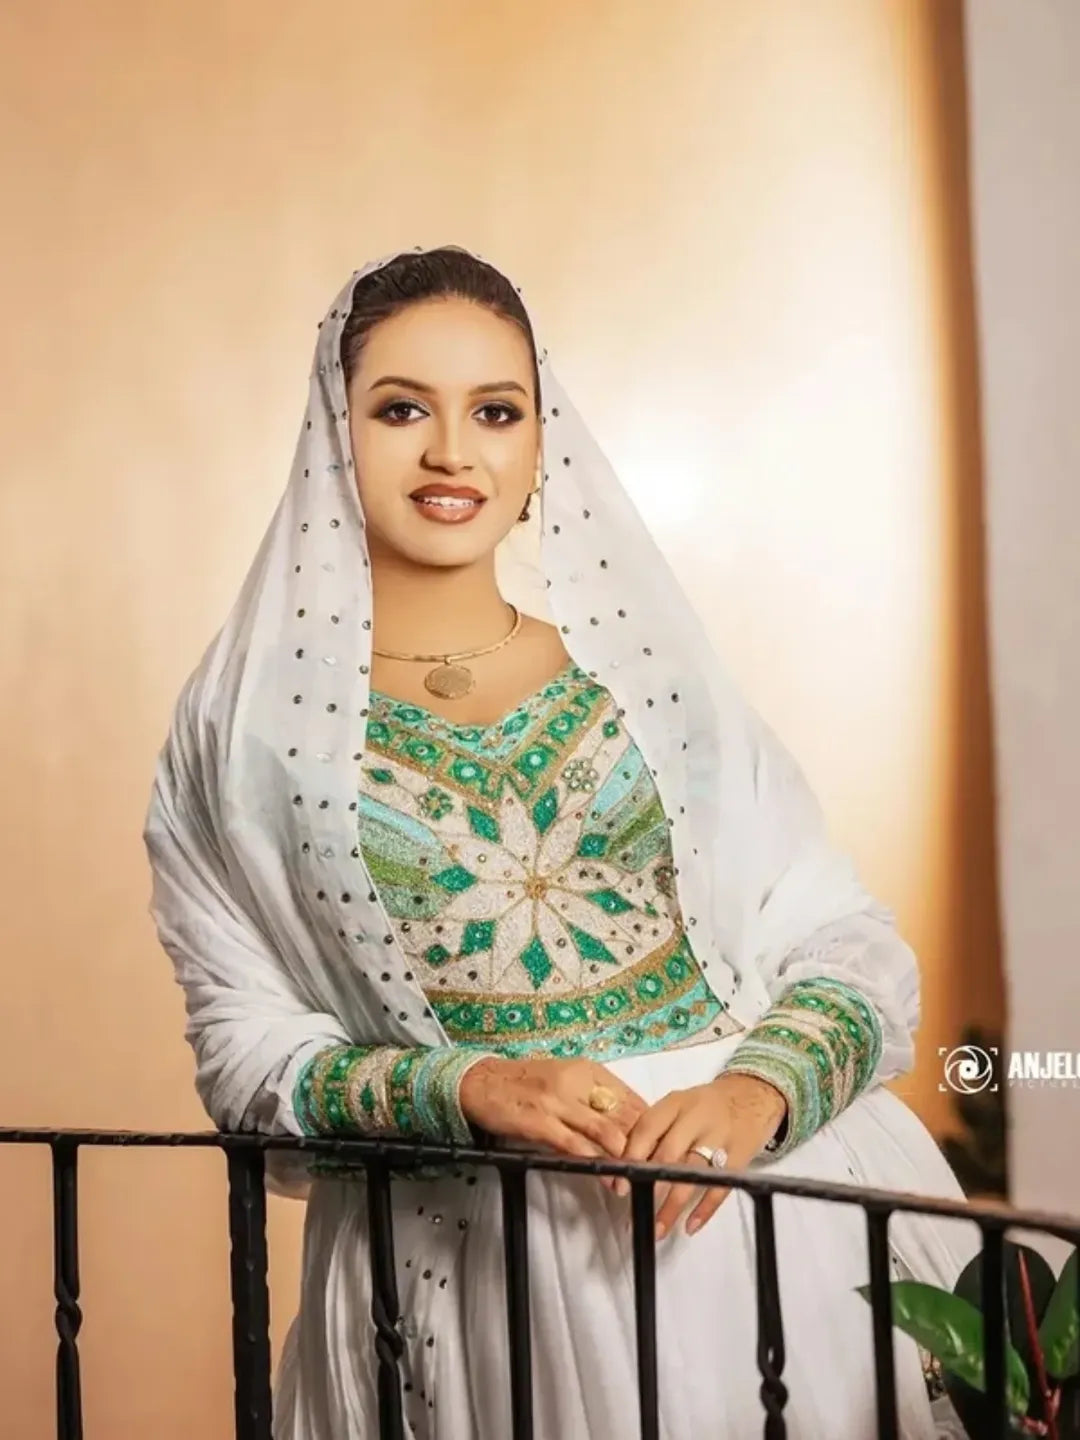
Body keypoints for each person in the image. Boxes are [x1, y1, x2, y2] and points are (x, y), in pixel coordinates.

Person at [145, 244, 974, 1438]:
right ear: (332, 438)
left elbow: (843, 937)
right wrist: (466, 1086)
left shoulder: (653, 685)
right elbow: (243, 1058)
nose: (450, 452)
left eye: (495, 410)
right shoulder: (244, 738)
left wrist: (755, 1090)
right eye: (399, 410)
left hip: (766, 1228)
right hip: (469, 1277)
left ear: (543, 447)